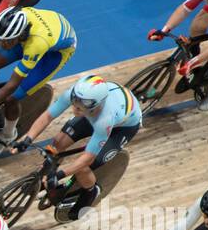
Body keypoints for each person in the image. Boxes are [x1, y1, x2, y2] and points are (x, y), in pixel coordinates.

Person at [0, 6, 78, 158]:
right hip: (40, 29)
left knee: (12, 97)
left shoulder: (37, 43)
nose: (2, 43)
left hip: (55, 53)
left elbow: (12, 85)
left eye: (7, 40)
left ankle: (7, 135)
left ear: (19, 35)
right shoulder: (7, 21)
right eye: (1, 38)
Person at [13, 75, 142, 221]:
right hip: (96, 111)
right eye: (74, 103)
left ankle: (91, 192)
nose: (75, 108)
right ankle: (44, 175)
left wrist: (60, 174)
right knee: (58, 142)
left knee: (83, 168)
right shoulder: (75, 95)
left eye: (80, 106)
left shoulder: (104, 120)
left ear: (95, 105)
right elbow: (48, 116)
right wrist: (28, 138)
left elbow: (87, 158)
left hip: (122, 129)